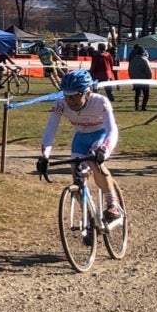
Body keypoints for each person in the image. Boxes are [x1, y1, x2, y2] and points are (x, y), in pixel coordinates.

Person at [38, 69, 123, 226]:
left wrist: (103, 149)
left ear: (87, 92)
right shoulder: (59, 104)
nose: (70, 102)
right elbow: (50, 131)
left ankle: (113, 204)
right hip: (80, 138)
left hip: (101, 136)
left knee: (94, 163)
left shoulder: (100, 102)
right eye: (67, 96)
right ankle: (89, 217)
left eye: (75, 98)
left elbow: (112, 130)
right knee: (77, 176)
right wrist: (45, 156)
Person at [126, 43, 154, 110]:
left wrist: (132, 78)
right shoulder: (145, 60)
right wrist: (149, 78)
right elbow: (149, 71)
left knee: (137, 93)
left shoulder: (133, 60)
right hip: (144, 80)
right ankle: (143, 107)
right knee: (146, 94)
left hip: (135, 80)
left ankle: (136, 107)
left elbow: (130, 70)